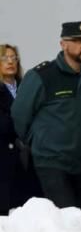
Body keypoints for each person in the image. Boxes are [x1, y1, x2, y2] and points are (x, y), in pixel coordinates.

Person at [11, 22, 81, 210]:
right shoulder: (42, 76)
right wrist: (39, 142)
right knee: (67, 218)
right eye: (77, 41)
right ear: (63, 44)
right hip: (52, 162)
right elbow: (19, 116)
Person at [0, 43, 41, 213]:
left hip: (29, 153)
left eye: (13, 58)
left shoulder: (26, 87)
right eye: (5, 58)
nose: (10, 62)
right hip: (4, 156)